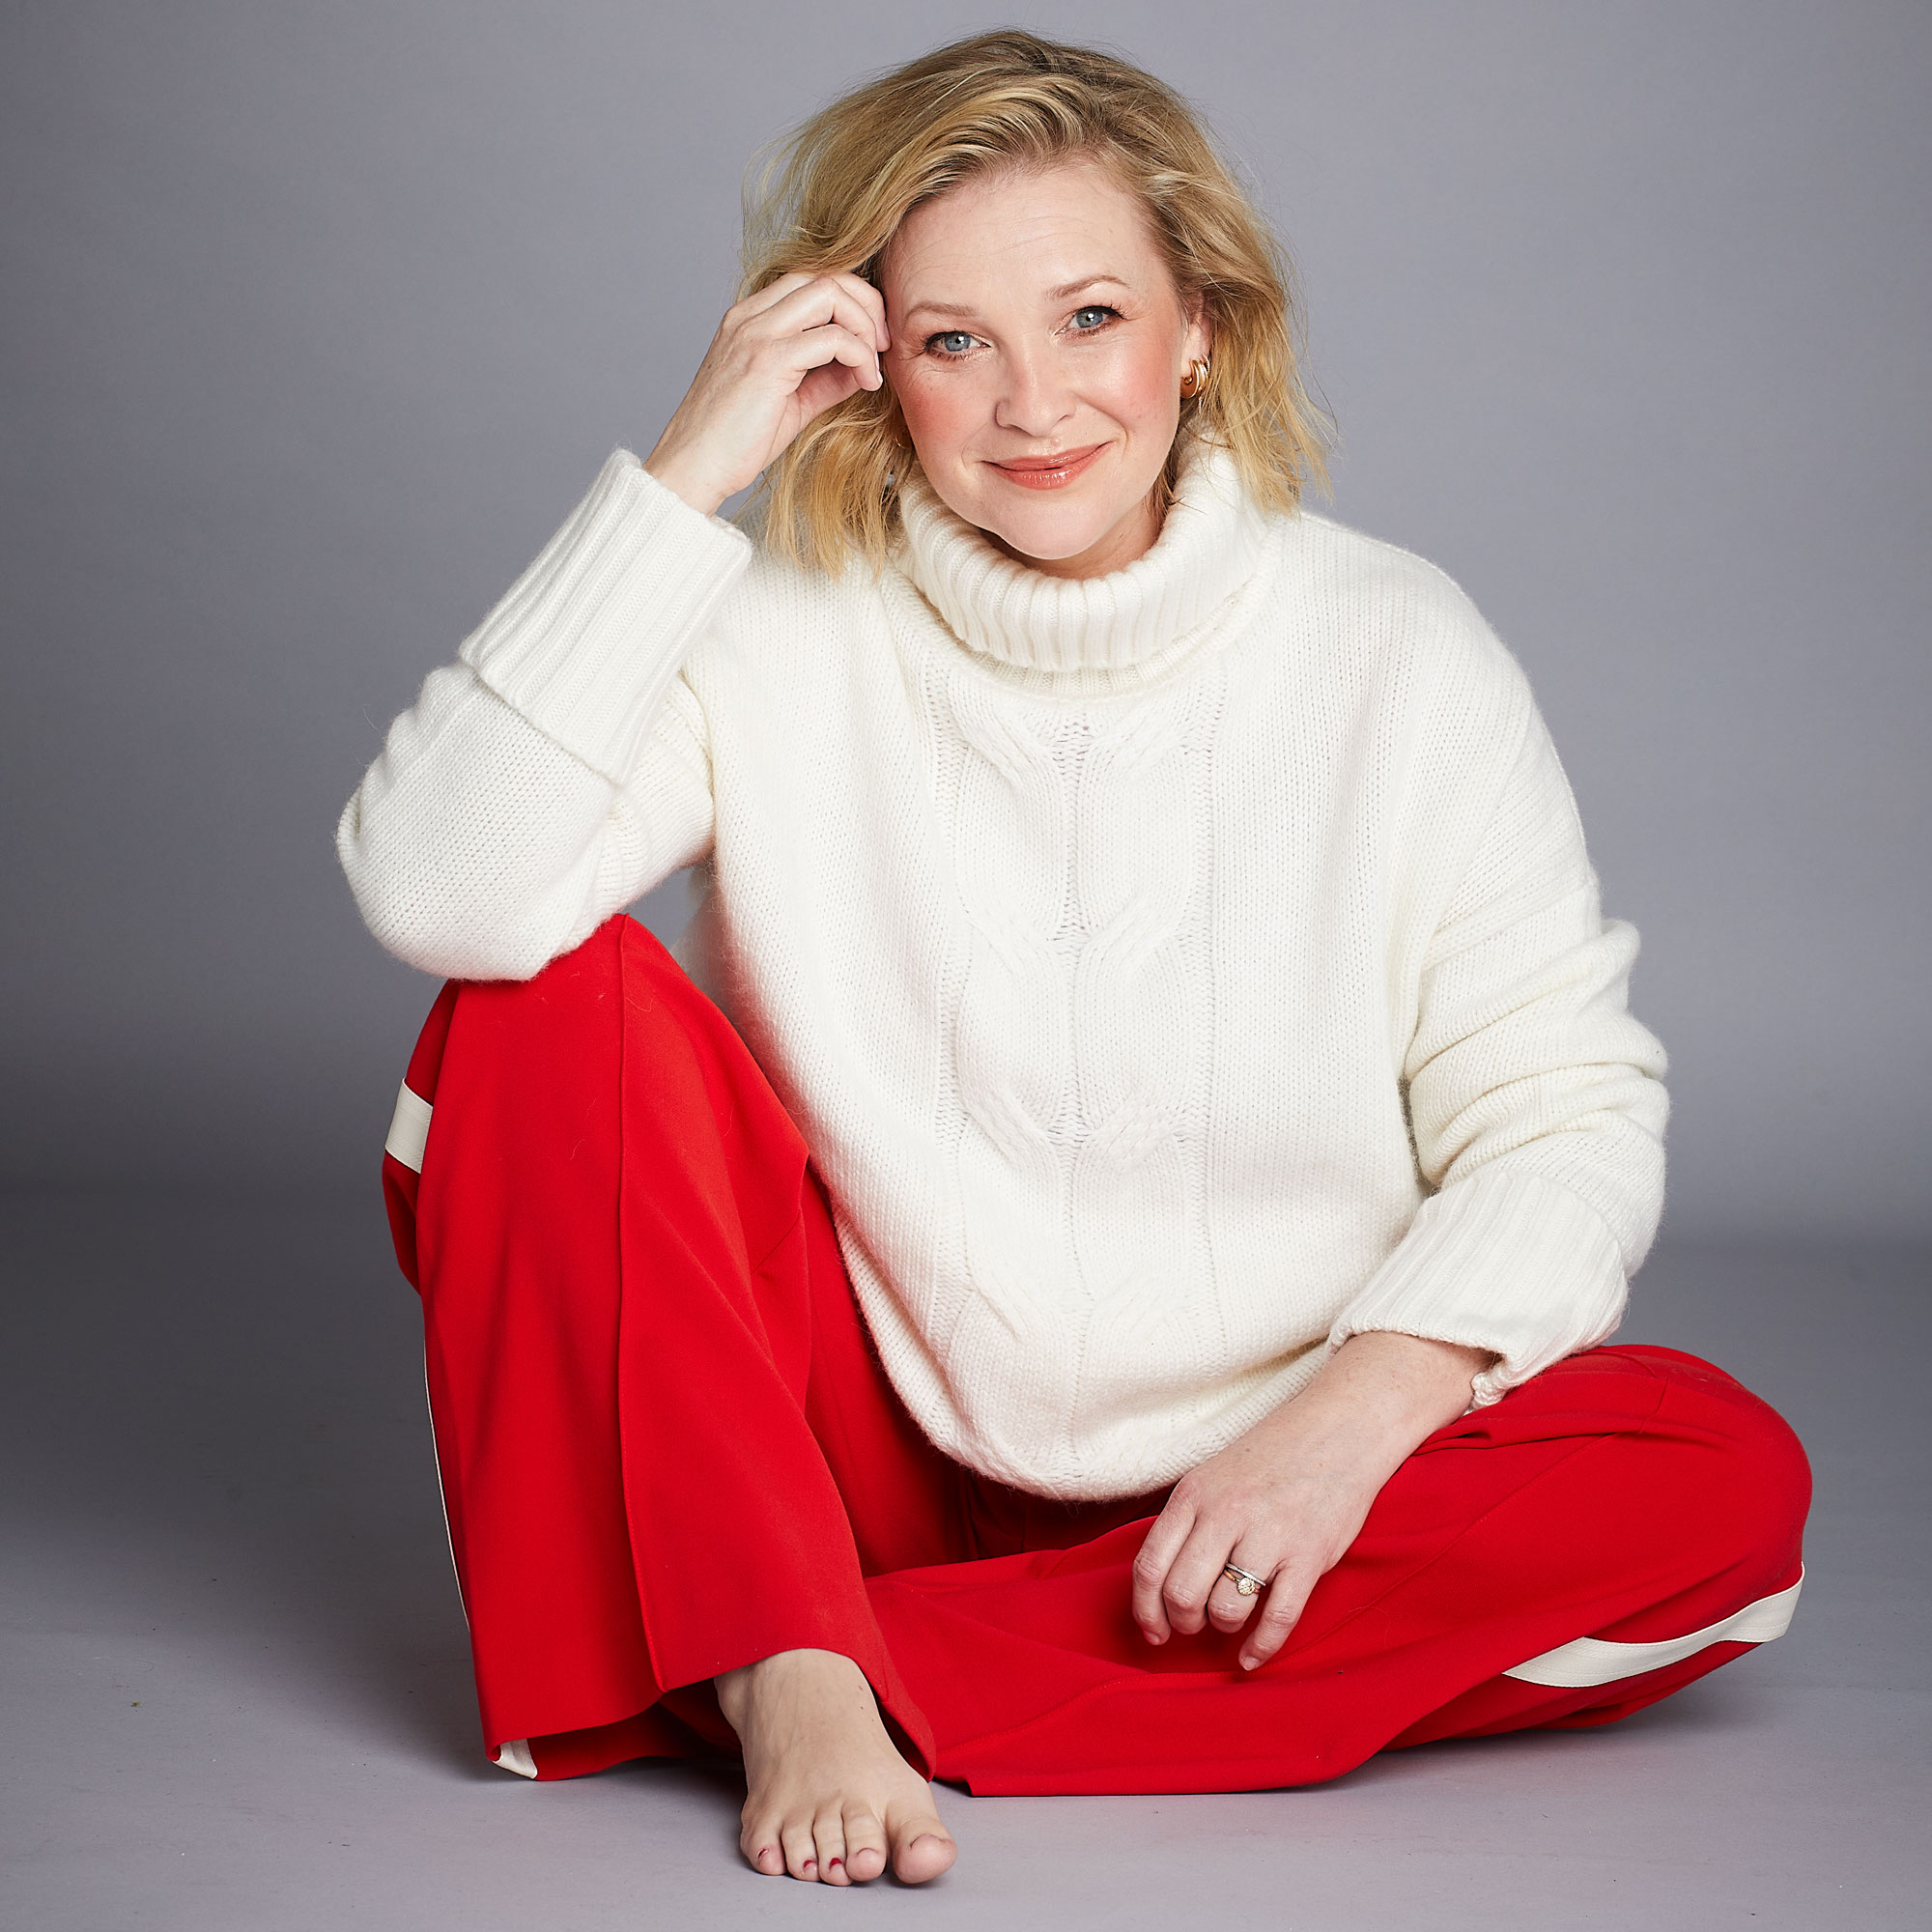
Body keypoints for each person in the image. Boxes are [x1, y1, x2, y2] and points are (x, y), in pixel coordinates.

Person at [336, 29, 1809, 1889]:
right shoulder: (780, 624)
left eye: (1092, 316)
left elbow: (1564, 1111)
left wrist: (1341, 1435)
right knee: (539, 1012)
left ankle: (776, 1661)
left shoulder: (1397, 648)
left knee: (1719, 1485)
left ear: (1203, 325)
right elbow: (440, 893)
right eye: (955, 341)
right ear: (871, 364)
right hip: (846, 1450)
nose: (1035, 402)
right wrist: (684, 473)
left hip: (1262, 1491)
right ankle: (802, 1657)